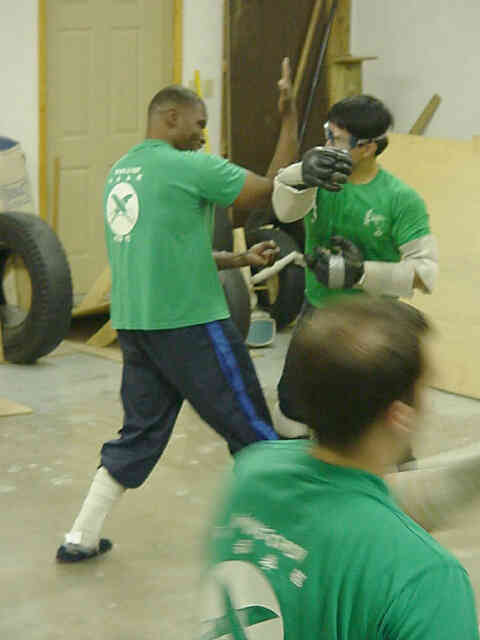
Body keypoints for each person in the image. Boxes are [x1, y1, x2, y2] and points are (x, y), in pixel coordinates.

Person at [56, 59, 302, 563]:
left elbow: (168, 252)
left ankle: (80, 536)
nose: (202, 135)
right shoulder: (191, 167)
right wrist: (289, 117)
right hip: (190, 322)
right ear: (171, 117)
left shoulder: (121, 172)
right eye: (198, 123)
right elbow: (275, 189)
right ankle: (294, 533)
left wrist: (239, 260)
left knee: (140, 432)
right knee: (251, 426)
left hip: (137, 326)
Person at [200, 297, 479, 640]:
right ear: (400, 416)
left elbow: (363, 506)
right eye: (425, 389)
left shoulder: (251, 470)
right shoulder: (427, 581)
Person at [271, 94, 439, 439]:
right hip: (318, 310)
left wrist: (361, 274)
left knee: (376, 416)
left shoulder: (400, 199)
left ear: (368, 147)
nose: (327, 146)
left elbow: (425, 273)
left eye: (337, 140)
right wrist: (300, 174)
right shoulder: (318, 180)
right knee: (291, 408)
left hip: (374, 322)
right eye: (327, 134)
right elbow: (285, 213)